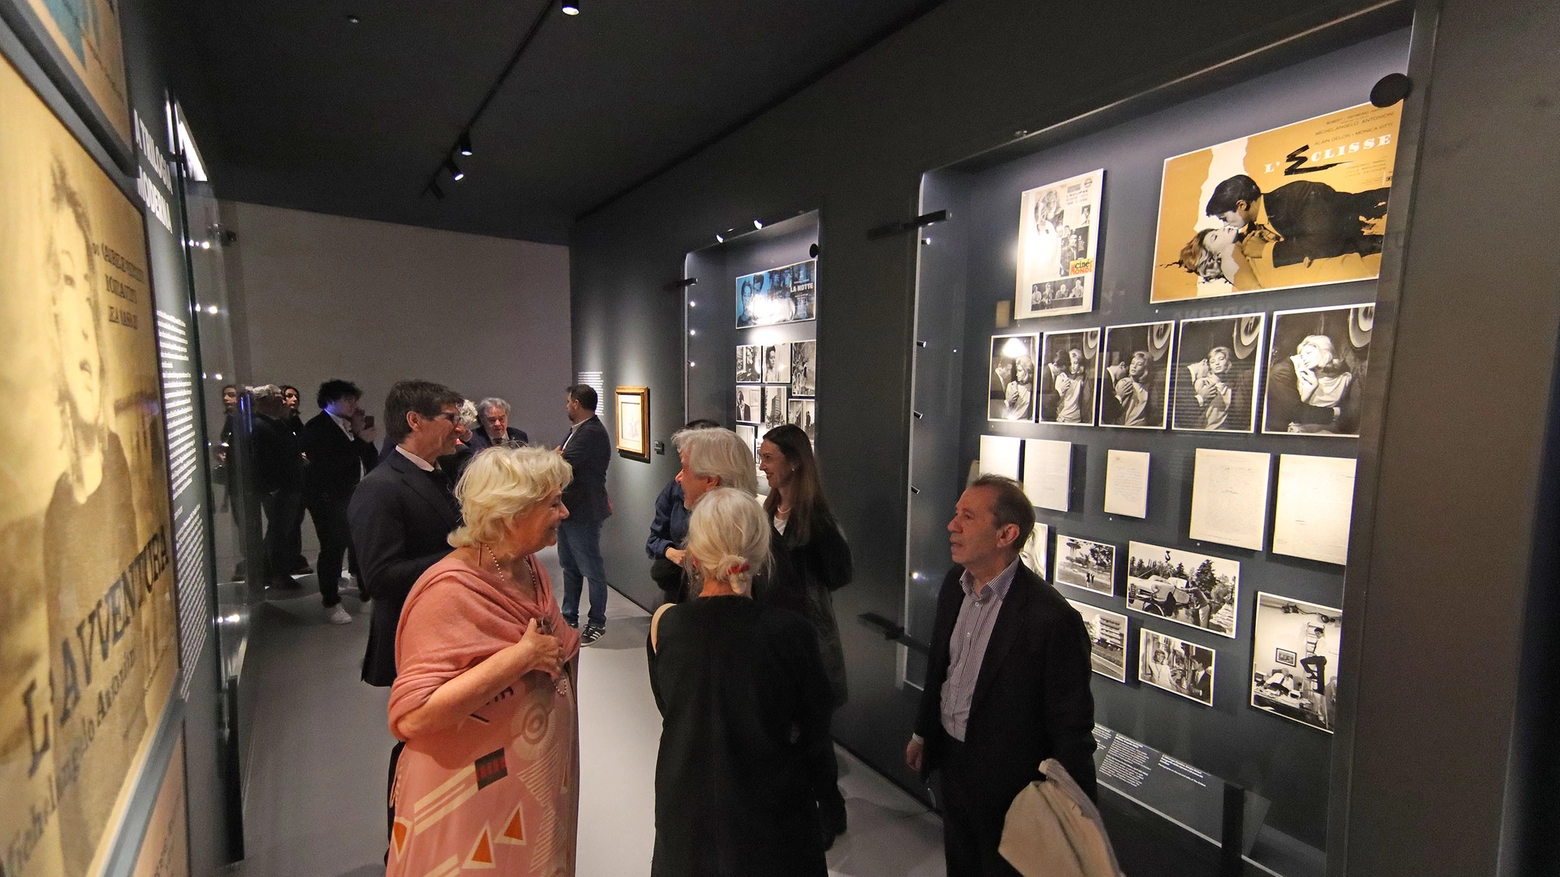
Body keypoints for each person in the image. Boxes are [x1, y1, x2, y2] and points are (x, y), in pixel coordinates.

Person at [386, 445, 580, 877]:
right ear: (512, 513)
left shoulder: (530, 568)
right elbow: (413, 717)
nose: (564, 512)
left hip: (529, 788)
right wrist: (521, 658)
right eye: (553, 503)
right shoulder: (449, 592)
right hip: (468, 797)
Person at [906, 474, 1097, 877]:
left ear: (1005, 534)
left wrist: (1080, 823)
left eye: (967, 517)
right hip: (954, 768)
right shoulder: (955, 586)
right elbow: (942, 667)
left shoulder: (1053, 620)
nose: (951, 525)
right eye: (957, 513)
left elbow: (1072, 730)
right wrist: (924, 733)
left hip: (1013, 789)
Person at [647, 487, 835, 877]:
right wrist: (829, 803)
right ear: (761, 556)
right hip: (768, 811)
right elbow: (815, 729)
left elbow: (672, 708)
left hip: (686, 805)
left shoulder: (665, 624)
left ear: (694, 557)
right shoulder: (791, 632)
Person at [758, 424, 853, 846]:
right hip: (770, 643)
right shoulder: (766, 511)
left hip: (808, 643)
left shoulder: (817, 521)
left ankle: (831, 813)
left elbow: (839, 575)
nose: (762, 467)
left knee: (814, 738)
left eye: (769, 459)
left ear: (794, 463)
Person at [350, 379, 466, 686]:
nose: (459, 427)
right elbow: (380, 579)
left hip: (446, 631)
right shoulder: (379, 488)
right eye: (450, 418)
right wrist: (465, 556)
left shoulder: (437, 471)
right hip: (416, 640)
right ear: (414, 420)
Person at [301, 379, 379, 624]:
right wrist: (359, 440)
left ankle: (365, 591)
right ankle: (330, 600)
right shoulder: (317, 427)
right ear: (330, 401)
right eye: (347, 399)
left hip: (354, 495)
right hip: (329, 499)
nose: (353, 404)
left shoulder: (348, 426)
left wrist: (359, 437)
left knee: (360, 544)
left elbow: (368, 459)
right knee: (333, 548)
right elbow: (328, 465)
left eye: (354, 399)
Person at [1205, 173, 1389, 267]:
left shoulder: (1296, 195)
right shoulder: (1253, 228)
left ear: (1241, 205)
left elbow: (1323, 243)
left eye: (1224, 218)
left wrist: (1267, 250)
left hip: (1386, 215)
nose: (1225, 224)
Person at [557, 384, 613, 645]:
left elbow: (560, 464)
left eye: (569, 401)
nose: (566, 405)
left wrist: (557, 457)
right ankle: (569, 617)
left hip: (584, 512)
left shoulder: (591, 433)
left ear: (577, 403)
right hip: (570, 510)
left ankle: (597, 621)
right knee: (570, 567)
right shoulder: (578, 431)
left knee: (591, 569)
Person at [646, 419, 720, 604]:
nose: (678, 477)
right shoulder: (674, 491)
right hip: (679, 592)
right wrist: (670, 551)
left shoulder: (731, 510)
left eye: (686, 467)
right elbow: (653, 540)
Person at [252, 384, 306, 591]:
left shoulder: (276, 423)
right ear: (262, 402)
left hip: (287, 487)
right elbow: (261, 461)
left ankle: (274, 572)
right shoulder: (261, 426)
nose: (283, 401)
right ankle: (277, 574)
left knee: (281, 531)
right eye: (277, 397)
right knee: (279, 532)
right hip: (280, 489)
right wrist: (272, 488)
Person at [1265, 334, 1358, 433]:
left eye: (1309, 353)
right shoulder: (1301, 377)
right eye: (1302, 355)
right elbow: (1295, 411)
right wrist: (1310, 389)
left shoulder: (1344, 379)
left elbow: (1348, 418)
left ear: (1325, 353)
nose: (1304, 358)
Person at [1184, 345, 1235, 430]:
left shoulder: (1231, 387)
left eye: (1221, 359)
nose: (1217, 363)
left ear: (1228, 362)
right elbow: (1193, 410)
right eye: (1213, 361)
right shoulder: (1203, 383)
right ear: (1210, 366)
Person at [1104, 350, 1153, 427]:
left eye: (1139, 364)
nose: (1134, 366)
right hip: (1127, 427)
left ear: (1145, 368)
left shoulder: (1148, 387)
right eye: (1132, 363)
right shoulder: (1126, 383)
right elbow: (1118, 411)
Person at [1003, 355, 1033, 421]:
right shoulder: (1012, 386)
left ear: (1027, 371)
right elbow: (1006, 410)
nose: (1017, 374)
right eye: (1017, 371)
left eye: (1020, 371)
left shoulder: (1032, 387)